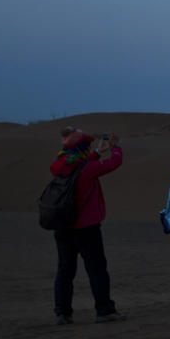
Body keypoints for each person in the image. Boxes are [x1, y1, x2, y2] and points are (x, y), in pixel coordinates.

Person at [50, 129, 125, 324]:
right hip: (86, 228)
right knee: (97, 269)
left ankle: (62, 312)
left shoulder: (61, 166)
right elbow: (115, 162)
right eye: (87, 147)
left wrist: (98, 152)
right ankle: (104, 310)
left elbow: (81, 165)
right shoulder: (86, 170)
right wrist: (115, 147)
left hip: (63, 227)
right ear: (82, 149)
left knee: (65, 271)